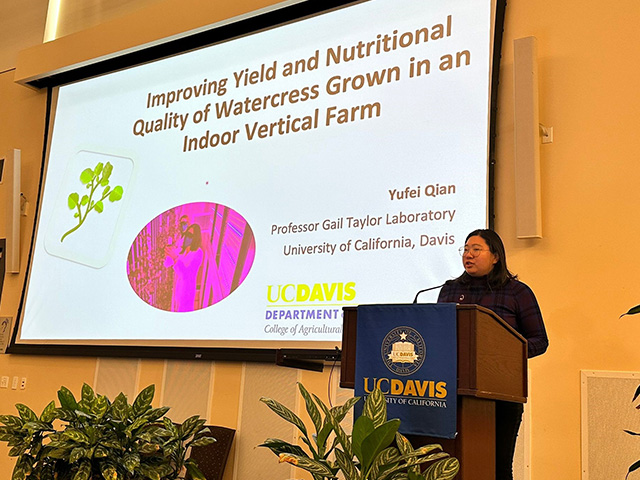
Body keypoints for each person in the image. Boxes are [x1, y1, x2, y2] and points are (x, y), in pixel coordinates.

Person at [437, 228, 548, 480]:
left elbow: (540, 341)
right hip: (454, 394)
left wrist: (500, 353)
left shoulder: (517, 292)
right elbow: (438, 336)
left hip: (501, 394)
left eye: (476, 249)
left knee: (497, 467)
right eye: (465, 249)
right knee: (454, 464)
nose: (468, 255)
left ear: (496, 256)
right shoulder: (450, 290)